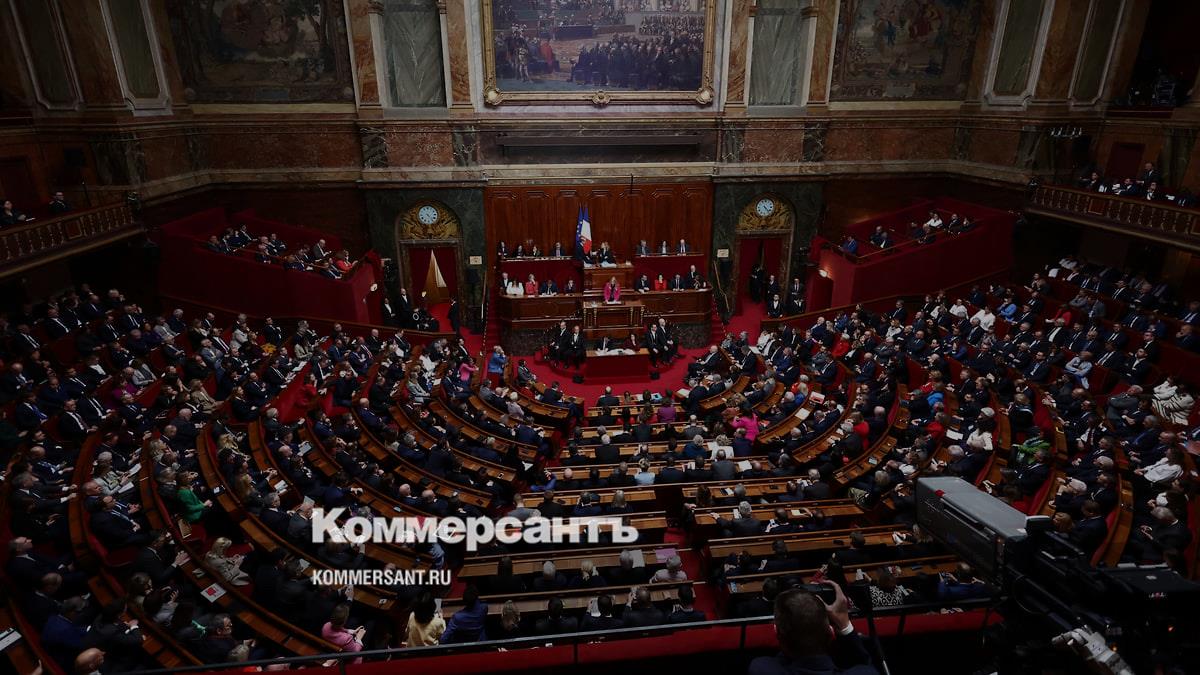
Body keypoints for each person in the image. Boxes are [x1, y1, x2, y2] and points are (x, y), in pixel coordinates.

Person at [748, 582, 879, 675]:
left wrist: (787, 634)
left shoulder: (762, 669)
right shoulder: (866, 672)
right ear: (830, 632)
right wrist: (844, 625)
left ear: (778, 634)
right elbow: (864, 665)